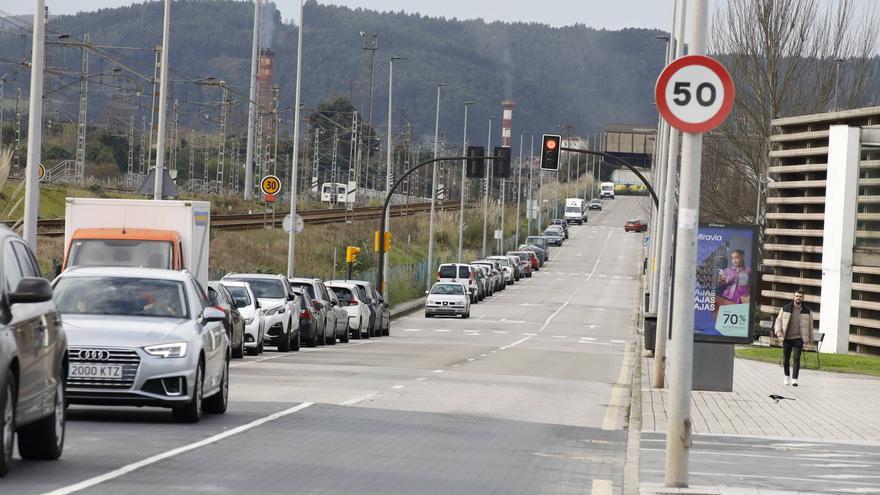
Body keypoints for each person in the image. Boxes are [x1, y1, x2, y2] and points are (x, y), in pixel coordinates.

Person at [773, 290, 814, 386]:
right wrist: (778, 332)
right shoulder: (785, 308)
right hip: (786, 337)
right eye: (797, 296)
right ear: (793, 297)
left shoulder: (808, 311)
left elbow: (810, 326)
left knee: (796, 358)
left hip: (799, 338)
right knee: (785, 359)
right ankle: (787, 377)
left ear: (803, 298)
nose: (798, 298)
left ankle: (795, 379)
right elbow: (778, 321)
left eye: (800, 296)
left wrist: (810, 340)